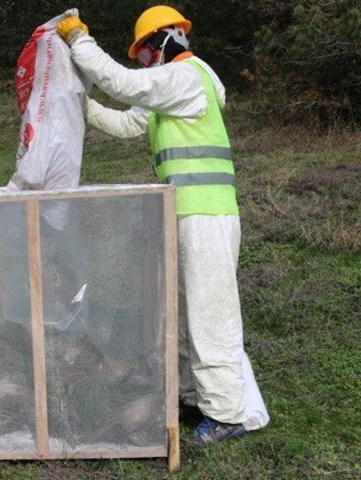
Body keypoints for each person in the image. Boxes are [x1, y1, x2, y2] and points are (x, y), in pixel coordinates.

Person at [57, 6, 269, 444]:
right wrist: (78, 100)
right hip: (186, 214)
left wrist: (79, 40)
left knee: (211, 314)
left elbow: (123, 82)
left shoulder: (187, 76)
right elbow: (125, 121)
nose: (143, 61)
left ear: (165, 42)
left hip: (205, 214)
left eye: (145, 52)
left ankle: (227, 414)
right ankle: (195, 398)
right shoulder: (171, 93)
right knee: (186, 312)